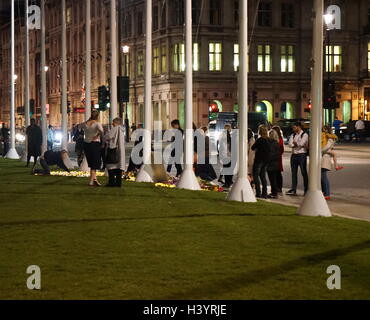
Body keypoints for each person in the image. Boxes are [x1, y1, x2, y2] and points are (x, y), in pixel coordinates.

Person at [79, 110, 104, 186]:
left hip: (86, 143)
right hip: (94, 143)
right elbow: (102, 132)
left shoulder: (85, 124)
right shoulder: (97, 124)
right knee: (95, 162)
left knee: (91, 162)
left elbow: (78, 127)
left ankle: (94, 180)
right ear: (97, 116)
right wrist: (97, 136)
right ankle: (91, 181)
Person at [286, 122, 309, 196]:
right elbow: (289, 144)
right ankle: (293, 189)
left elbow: (302, 144)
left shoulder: (304, 134)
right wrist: (295, 144)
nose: (293, 129)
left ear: (298, 127)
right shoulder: (293, 135)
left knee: (303, 172)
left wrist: (296, 144)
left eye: (294, 127)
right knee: (293, 173)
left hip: (302, 155)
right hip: (294, 155)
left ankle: (306, 189)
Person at [105, 118, 126, 188]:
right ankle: (118, 183)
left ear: (117, 123)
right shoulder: (122, 130)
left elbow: (108, 136)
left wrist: (106, 134)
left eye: (113, 122)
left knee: (110, 166)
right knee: (118, 167)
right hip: (119, 150)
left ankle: (111, 182)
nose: (112, 124)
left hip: (113, 149)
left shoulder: (115, 128)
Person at [251, 125, 270, 198]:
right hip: (266, 160)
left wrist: (257, 149)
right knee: (263, 177)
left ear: (260, 132)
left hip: (259, 160)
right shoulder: (269, 140)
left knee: (255, 176)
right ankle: (264, 193)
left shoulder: (259, 140)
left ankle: (258, 192)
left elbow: (253, 148)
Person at [321, 127, 336, 200]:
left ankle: (327, 193)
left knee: (324, 176)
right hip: (322, 157)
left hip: (325, 158)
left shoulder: (330, 138)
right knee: (321, 176)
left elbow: (326, 147)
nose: (324, 131)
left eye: (325, 130)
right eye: (323, 130)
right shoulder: (323, 137)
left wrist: (319, 150)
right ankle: (324, 192)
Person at [267, 129, 281, 199]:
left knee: (272, 179)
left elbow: (272, 154)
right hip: (274, 164)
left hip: (272, 164)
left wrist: (267, 159)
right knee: (272, 179)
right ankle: (273, 192)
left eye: (269, 134)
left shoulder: (273, 144)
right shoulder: (276, 143)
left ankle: (274, 193)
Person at [219, 124, 234, 188]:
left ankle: (227, 183)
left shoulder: (223, 137)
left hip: (225, 155)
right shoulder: (231, 136)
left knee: (226, 169)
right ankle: (229, 182)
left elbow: (221, 147)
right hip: (231, 155)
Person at [272, 126, 284, 193]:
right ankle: (276, 187)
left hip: (278, 158)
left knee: (278, 173)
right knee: (275, 173)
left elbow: (281, 149)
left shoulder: (280, 139)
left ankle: (279, 187)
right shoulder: (277, 139)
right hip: (276, 157)